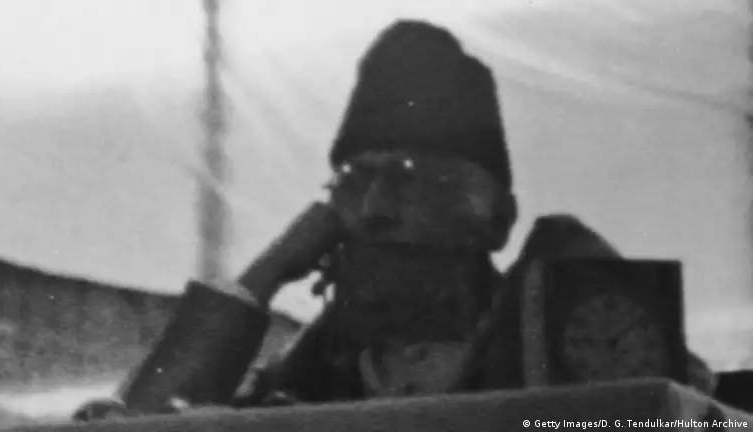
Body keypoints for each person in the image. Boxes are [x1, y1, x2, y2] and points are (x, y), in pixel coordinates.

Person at [74, 20, 715, 420]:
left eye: (409, 178)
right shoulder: (323, 363)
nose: (373, 212)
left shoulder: (557, 309)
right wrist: (267, 274)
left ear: (494, 219)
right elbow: (142, 424)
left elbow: (671, 414)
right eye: (353, 183)